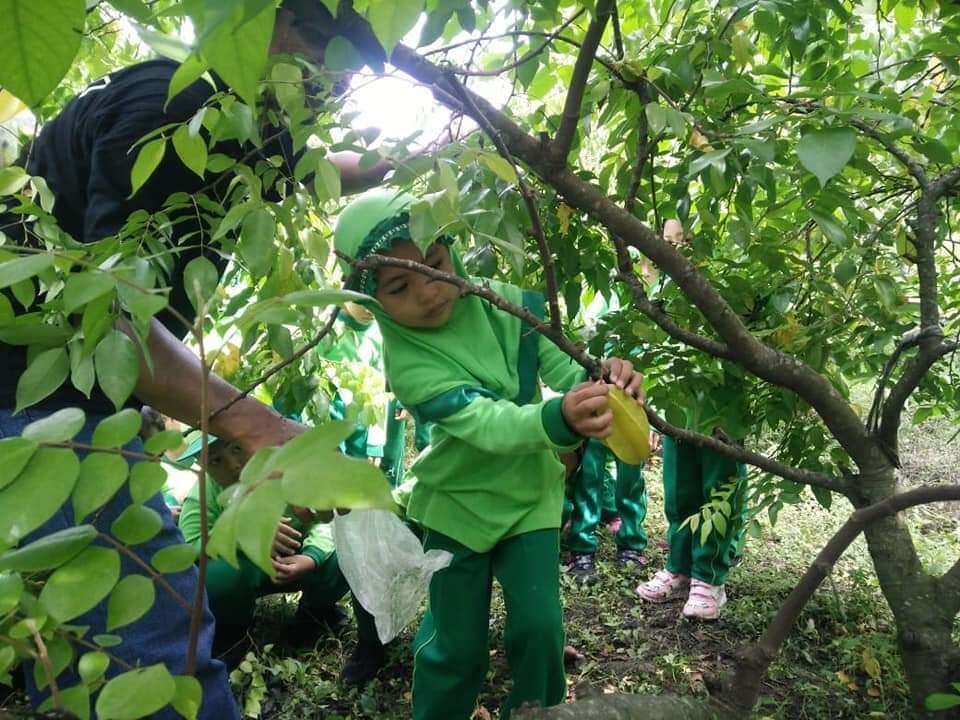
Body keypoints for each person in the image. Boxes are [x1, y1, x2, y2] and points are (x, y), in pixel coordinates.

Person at [0, 4, 390, 716]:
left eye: (351, 57)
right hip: (32, 400)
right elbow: (109, 324)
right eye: (313, 33)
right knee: (150, 649)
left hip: (62, 395)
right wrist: (261, 426)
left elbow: (311, 172)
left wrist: (419, 155)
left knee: (66, 653)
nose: (333, 73)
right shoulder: (173, 106)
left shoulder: (231, 123)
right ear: (247, 20)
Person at [332, 189, 645, 719]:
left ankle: (538, 711)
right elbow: (484, 422)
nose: (429, 291)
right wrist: (559, 418)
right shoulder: (408, 361)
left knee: (540, 629)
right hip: (457, 507)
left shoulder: (509, 303)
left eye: (435, 263)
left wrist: (605, 380)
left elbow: (567, 368)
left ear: (450, 248)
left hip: (529, 496)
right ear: (371, 300)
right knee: (454, 644)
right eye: (399, 286)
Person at [176, 435, 387, 684]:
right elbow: (189, 546)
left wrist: (311, 557)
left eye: (236, 449)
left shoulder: (288, 474)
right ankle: (232, 632)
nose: (232, 464)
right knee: (215, 575)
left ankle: (315, 611)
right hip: (247, 572)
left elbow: (328, 521)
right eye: (216, 461)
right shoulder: (204, 493)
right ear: (203, 467)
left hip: (298, 561)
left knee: (346, 552)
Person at [634, 220, 749, 620]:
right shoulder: (658, 292)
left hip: (721, 402)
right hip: (678, 405)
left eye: (682, 242)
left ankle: (710, 578)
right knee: (679, 491)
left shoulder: (723, 285)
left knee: (718, 488)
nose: (674, 250)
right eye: (666, 243)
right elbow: (652, 354)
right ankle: (679, 567)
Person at [564, 438, 648, 582]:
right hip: (590, 418)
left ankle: (632, 544)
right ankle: (582, 547)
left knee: (631, 476)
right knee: (589, 473)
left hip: (632, 419)